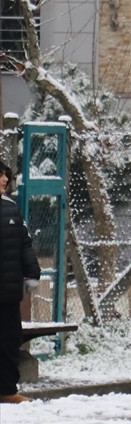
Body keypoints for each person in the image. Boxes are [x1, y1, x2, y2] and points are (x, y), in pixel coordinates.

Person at [0, 159, 40, 404]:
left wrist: (32, 272)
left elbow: (24, 243)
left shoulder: (10, 208)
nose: (5, 179)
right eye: (0, 175)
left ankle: (6, 390)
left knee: (9, 340)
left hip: (7, 291)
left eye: (6, 175)